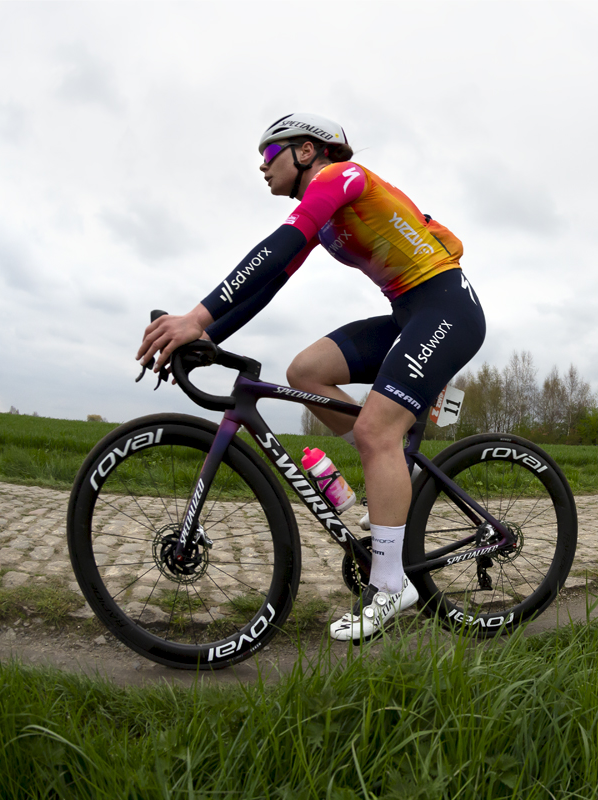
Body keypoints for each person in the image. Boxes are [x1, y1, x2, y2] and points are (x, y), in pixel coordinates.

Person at [136, 113, 486, 644]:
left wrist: (196, 317)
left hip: (447, 309)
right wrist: (205, 338)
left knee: (376, 431)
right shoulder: (321, 218)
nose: (260, 164)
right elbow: (269, 282)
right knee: (306, 372)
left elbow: (274, 248)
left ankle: (391, 585)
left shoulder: (340, 179)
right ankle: (383, 487)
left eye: (268, 152)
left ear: (304, 151)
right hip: (406, 314)